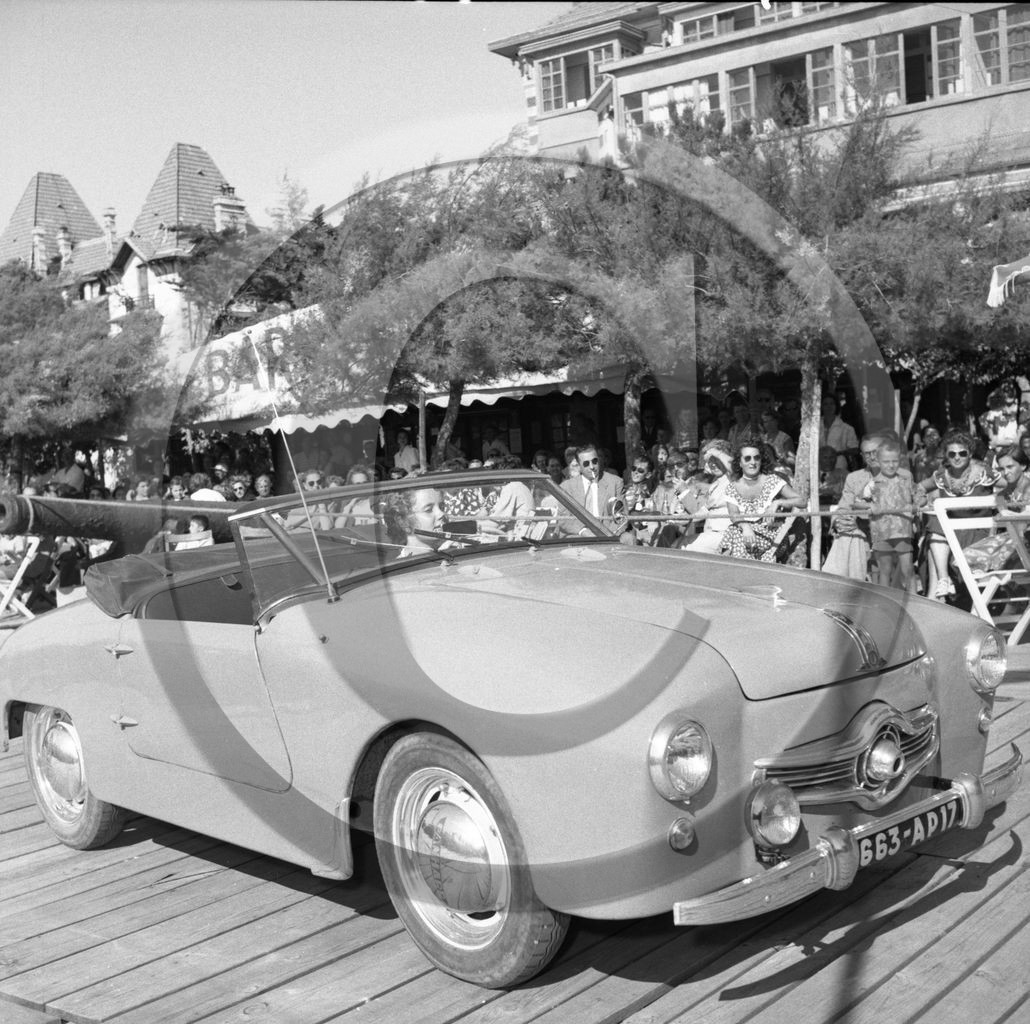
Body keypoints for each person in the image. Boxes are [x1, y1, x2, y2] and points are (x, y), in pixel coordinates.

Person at [918, 429, 997, 599]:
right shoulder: (940, 475)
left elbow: (1007, 485)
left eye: (962, 453)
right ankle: (943, 580)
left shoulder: (984, 472)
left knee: (934, 538)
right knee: (935, 521)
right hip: (950, 533)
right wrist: (924, 501)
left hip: (977, 534)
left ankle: (937, 592)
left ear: (969, 454)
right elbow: (920, 488)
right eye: (952, 454)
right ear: (946, 456)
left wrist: (998, 501)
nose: (957, 457)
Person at [858, 439, 925, 590]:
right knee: (884, 570)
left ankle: (914, 600)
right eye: (886, 461)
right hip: (881, 533)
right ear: (878, 461)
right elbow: (856, 502)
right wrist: (870, 505)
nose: (891, 465)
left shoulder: (906, 481)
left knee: (907, 569)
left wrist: (916, 505)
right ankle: (885, 602)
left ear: (900, 460)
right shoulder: (873, 484)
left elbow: (921, 496)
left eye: (895, 461)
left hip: (903, 532)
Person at [720, 442, 804, 562]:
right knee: (734, 531)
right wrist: (745, 527)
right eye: (747, 458)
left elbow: (802, 501)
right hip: (746, 534)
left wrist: (778, 503)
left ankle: (734, 570)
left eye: (756, 458)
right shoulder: (732, 487)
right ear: (740, 463)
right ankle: (736, 569)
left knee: (734, 534)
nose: (752, 462)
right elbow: (733, 514)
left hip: (773, 536)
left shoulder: (772, 481)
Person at [559, 445, 624, 532]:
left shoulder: (615, 482)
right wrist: (583, 532)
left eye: (594, 461)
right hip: (579, 535)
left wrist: (608, 535)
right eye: (586, 463)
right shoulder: (567, 487)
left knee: (628, 538)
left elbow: (622, 516)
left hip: (608, 533)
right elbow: (563, 520)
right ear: (579, 466)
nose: (592, 467)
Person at [684, 442, 734, 553]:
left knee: (684, 546)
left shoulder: (734, 478)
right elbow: (705, 510)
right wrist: (684, 518)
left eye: (716, 460)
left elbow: (733, 465)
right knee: (676, 543)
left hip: (726, 535)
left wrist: (714, 452)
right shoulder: (716, 483)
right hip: (710, 533)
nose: (713, 464)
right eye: (710, 461)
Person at [820, 394, 859, 469]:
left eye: (832, 403)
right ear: (821, 407)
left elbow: (855, 449)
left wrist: (838, 453)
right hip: (818, 466)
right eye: (825, 404)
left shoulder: (847, 428)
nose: (829, 406)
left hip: (839, 465)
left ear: (836, 406)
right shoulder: (814, 428)